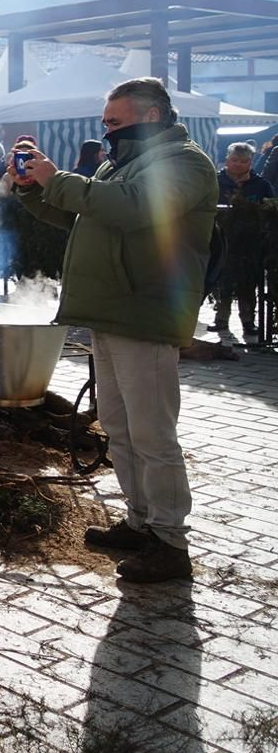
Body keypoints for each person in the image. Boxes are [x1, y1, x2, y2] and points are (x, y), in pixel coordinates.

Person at [15, 77, 216, 584]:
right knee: (122, 428)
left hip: (145, 313)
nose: (107, 131)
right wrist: (31, 188)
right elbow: (86, 216)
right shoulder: (123, 163)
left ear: (150, 116)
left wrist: (57, 177)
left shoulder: (185, 162)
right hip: (112, 312)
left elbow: (132, 207)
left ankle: (169, 542)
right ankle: (139, 520)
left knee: (152, 433)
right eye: (105, 122)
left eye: (115, 122)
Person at [212, 142, 274, 341]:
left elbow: (270, 209)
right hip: (222, 241)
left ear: (251, 162)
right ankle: (221, 319)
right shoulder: (216, 181)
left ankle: (248, 321)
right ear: (227, 160)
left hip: (250, 243)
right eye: (234, 160)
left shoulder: (261, 185)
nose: (238, 165)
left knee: (248, 284)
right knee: (223, 281)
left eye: (243, 161)